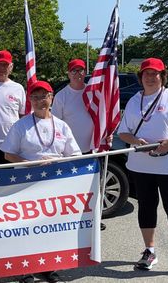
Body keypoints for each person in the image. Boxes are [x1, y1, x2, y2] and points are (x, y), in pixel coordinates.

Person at [117, 58, 168, 282]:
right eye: (146, 74)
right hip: (141, 166)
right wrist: (136, 141)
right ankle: (149, 251)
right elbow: (123, 133)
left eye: (155, 74)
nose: (150, 78)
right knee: (146, 207)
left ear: (162, 76)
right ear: (141, 77)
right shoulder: (134, 101)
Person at [0, 81, 81, 283]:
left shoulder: (62, 126)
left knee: (51, 227)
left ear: (51, 97)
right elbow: (9, 155)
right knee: (26, 227)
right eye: (35, 97)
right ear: (30, 100)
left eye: (43, 96)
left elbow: (75, 154)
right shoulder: (21, 126)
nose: (39, 101)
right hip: (26, 184)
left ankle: (49, 266)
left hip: (54, 185)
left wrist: (58, 161)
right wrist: (28, 163)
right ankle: (25, 269)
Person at [51, 59, 109, 231]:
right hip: (70, 153)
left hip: (93, 149)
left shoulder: (93, 93)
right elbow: (56, 125)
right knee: (71, 189)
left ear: (86, 72)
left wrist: (108, 133)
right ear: (68, 74)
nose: (77, 74)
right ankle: (71, 220)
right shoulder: (62, 96)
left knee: (94, 188)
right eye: (74, 71)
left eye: (81, 70)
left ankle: (95, 219)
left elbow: (104, 116)